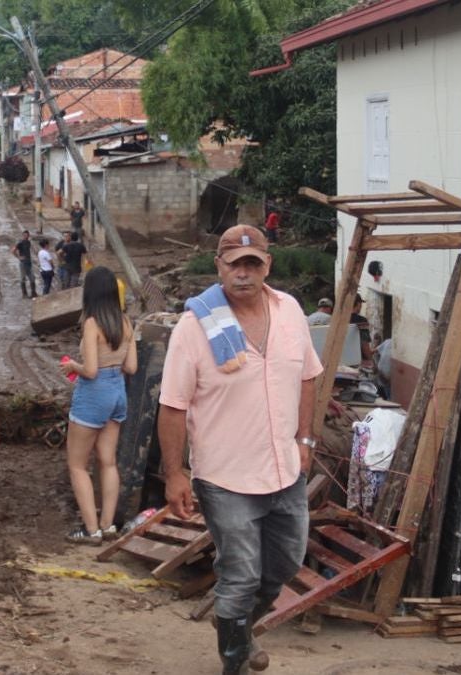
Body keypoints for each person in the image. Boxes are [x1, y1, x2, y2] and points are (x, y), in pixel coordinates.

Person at [158, 224, 323, 674]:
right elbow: (172, 406)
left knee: (284, 565)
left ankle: (238, 629)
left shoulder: (289, 310)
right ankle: (234, 663)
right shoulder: (196, 327)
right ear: (220, 267)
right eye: (236, 265)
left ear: (267, 264)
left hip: (285, 468)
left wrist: (304, 439)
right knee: (241, 574)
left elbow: (308, 375)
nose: (245, 274)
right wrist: (175, 473)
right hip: (225, 477)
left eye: (254, 264)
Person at [58, 267, 139, 544]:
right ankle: (107, 526)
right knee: (108, 461)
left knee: (78, 465)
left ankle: (90, 530)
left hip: (94, 395)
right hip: (118, 392)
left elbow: (90, 371)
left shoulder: (92, 323)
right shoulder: (126, 322)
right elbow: (132, 366)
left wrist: (72, 365)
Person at [11, 230, 38, 298]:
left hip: (28, 262)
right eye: (25, 235)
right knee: (23, 278)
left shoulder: (28, 242)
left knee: (32, 277)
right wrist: (19, 257)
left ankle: (33, 293)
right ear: (23, 235)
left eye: (27, 235)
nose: (26, 236)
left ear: (28, 235)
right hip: (23, 263)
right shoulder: (20, 243)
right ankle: (24, 294)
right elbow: (13, 250)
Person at [351, 294, 374, 363]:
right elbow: (364, 343)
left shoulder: (340, 319)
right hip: (358, 360)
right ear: (358, 304)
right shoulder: (361, 321)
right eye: (361, 304)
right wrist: (371, 360)